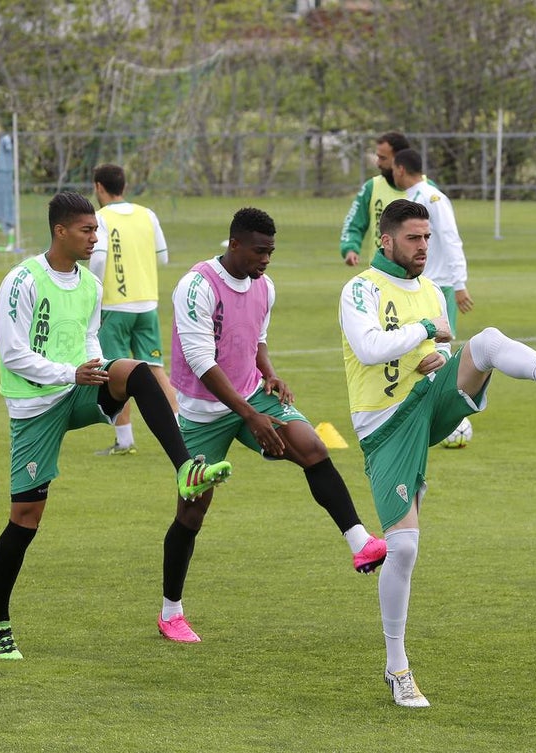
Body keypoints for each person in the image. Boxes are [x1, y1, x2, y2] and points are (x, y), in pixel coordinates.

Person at [339, 199, 536, 707]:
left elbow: (437, 346)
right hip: (385, 425)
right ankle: (397, 667)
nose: (423, 247)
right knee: (404, 548)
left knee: (487, 342)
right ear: (386, 241)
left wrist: (434, 357)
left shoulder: (432, 290)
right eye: (414, 238)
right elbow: (369, 348)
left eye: (427, 238)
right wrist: (425, 334)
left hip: (427, 397)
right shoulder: (360, 289)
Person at [0, 191, 232, 660]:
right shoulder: (22, 280)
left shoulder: (91, 284)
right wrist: (70, 372)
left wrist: (96, 368)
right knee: (25, 518)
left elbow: (90, 338)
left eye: (96, 230)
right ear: (60, 231)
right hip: (34, 407)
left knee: (136, 372)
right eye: (87, 230)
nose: (95, 239)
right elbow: (13, 354)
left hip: (77, 388)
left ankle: (185, 468)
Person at [158, 207, 387, 644]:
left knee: (312, 447)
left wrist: (270, 374)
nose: (265, 260)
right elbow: (202, 361)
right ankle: (171, 613)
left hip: (250, 394)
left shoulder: (265, 286)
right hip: (202, 412)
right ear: (234, 244)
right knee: (191, 512)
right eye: (259, 251)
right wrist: (250, 416)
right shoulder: (196, 286)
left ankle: (360, 542)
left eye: (271, 252)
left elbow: (257, 340)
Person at [88, 163, 177, 456]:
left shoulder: (101, 218)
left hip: (115, 305)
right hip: (147, 303)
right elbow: (163, 258)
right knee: (155, 368)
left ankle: (124, 441)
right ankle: (182, 431)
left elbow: (99, 259)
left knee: (116, 370)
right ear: (124, 186)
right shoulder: (147, 215)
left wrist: (94, 292)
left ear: (99, 187)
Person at [391, 147, 472, 337]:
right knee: (421, 343)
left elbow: (450, 237)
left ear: (401, 169)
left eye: (393, 169)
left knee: (439, 343)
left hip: (439, 285)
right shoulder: (411, 198)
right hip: (419, 283)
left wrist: (459, 284)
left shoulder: (432, 198)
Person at [339, 131, 412, 267]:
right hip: (380, 272)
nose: (378, 163)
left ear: (400, 160)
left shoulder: (428, 190)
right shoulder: (371, 187)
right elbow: (353, 224)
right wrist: (350, 248)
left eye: (383, 158)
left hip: (419, 273)